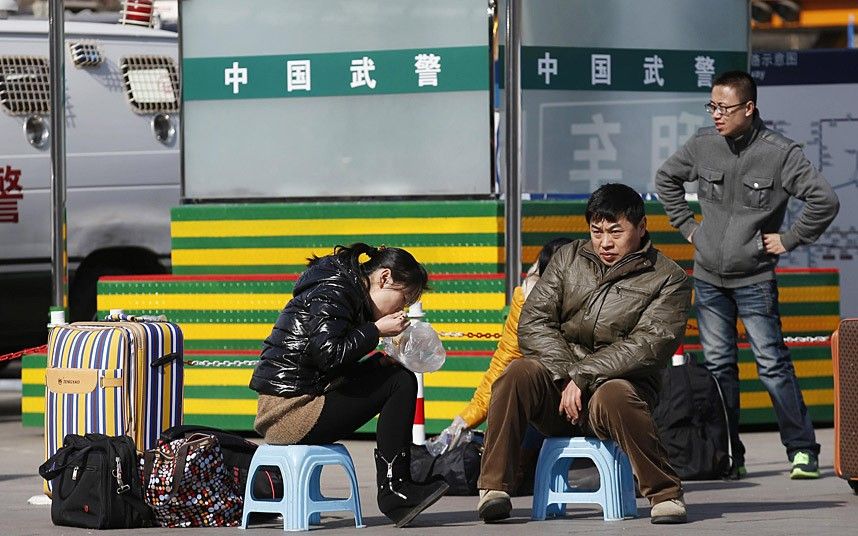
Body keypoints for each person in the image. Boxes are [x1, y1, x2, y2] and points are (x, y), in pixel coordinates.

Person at [655, 70, 839, 480]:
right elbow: (666, 178)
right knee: (720, 369)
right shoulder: (703, 145)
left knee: (772, 364)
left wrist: (789, 239)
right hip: (708, 278)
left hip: (755, 279)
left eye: (724, 108)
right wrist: (688, 228)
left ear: (749, 108)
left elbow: (825, 200)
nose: (716, 115)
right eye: (712, 107)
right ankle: (728, 456)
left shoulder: (781, 153)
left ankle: (802, 450)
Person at [477, 183, 692, 525]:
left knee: (614, 394)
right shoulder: (568, 258)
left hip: (621, 394)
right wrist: (566, 376)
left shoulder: (669, 279)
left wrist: (584, 375)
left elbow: (649, 344)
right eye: (597, 231)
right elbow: (533, 323)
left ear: (641, 228)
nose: (605, 242)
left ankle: (665, 493)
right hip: (560, 393)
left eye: (616, 232)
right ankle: (494, 489)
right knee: (518, 373)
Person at [249, 243, 449, 527]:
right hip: (290, 412)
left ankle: (398, 486)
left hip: (298, 402)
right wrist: (376, 330)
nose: (402, 311)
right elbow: (328, 354)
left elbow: (325, 363)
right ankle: (395, 489)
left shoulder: (342, 289)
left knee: (394, 375)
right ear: (384, 278)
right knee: (401, 383)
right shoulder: (335, 291)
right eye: (403, 300)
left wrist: (374, 363)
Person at [435, 238, 574, 494]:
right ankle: (495, 487)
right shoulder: (527, 298)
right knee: (517, 377)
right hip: (547, 403)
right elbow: (504, 360)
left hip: (588, 397)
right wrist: (466, 419)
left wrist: (578, 379)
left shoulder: (598, 298)